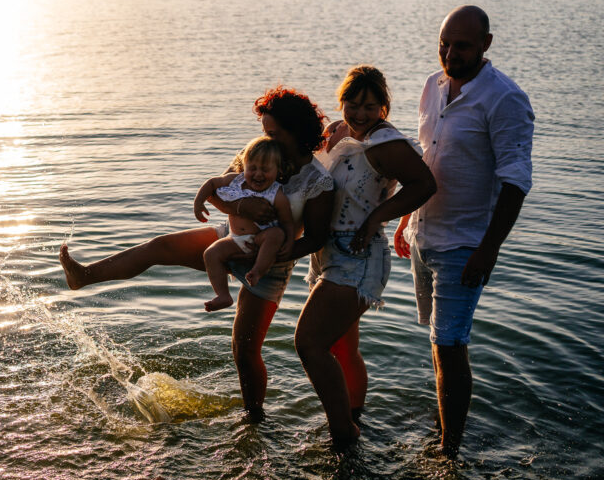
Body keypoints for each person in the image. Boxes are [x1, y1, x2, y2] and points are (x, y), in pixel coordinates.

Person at [60, 87, 335, 420]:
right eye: (265, 131)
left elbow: (317, 237)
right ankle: (84, 275)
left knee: (244, 350)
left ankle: (254, 419)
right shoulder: (258, 153)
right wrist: (239, 205)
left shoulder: (316, 179)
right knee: (160, 246)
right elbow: (217, 191)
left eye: (273, 132)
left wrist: (275, 255)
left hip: (268, 263)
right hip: (229, 238)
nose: (266, 137)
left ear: (296, 130)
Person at [394, 5, 534, 458]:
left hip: (465, 243)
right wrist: (404, 219)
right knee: (438, 342)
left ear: (486, 45)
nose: (450, 53)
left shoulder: (504, 99)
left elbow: (515, 180)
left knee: (451, 344)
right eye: (444, 43)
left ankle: (448, 452)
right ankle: (442, 432)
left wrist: (487, 250)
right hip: (424, 234)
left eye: (462, 45)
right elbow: (425, 157)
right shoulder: (432, 87)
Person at [294, 66, 436, 445]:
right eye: (352, 104)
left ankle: (343, 432)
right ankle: (354, 417)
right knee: (342, 346)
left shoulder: (386, 143)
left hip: (359, 255)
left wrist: (379, 217)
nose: (359, 113)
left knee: (308, 342)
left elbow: (424, 183)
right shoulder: (342, 137)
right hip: (328, 251)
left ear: (383, 109)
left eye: (370, 106)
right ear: (342, 102)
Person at [193, 136, 293, 311]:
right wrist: (198, 202)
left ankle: (258, 271)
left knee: (276, 234)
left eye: (265, 169)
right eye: (252, 168)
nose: (258, 174)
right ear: (244, 166)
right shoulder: (236, 180)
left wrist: (290, 241)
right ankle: (223, 295)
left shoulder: (277, 194)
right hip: (235, 240)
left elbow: (287, 221)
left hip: (260, 239)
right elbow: (212, 183)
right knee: (210, 253)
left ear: (278, 170)